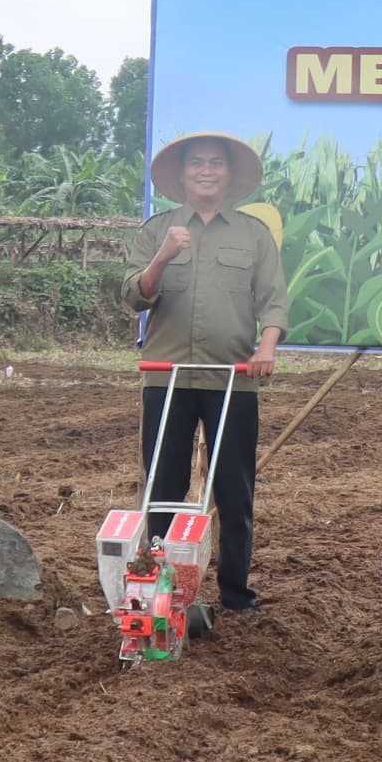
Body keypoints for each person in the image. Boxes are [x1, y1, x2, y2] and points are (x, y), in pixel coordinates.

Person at [131, 129, 286, 615]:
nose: (205, 170)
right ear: (181, 175)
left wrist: (266, 347)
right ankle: (162, 583)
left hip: (233, 378)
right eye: (196, 162)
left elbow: (274, 300)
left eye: (215, 163)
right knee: (164, 485)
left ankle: (236, 592)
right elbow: (134, 296)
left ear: (229, 175)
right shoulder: (158, 230)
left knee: (234, 489)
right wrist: (163, 257)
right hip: (167, 377)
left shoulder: (252, 234)